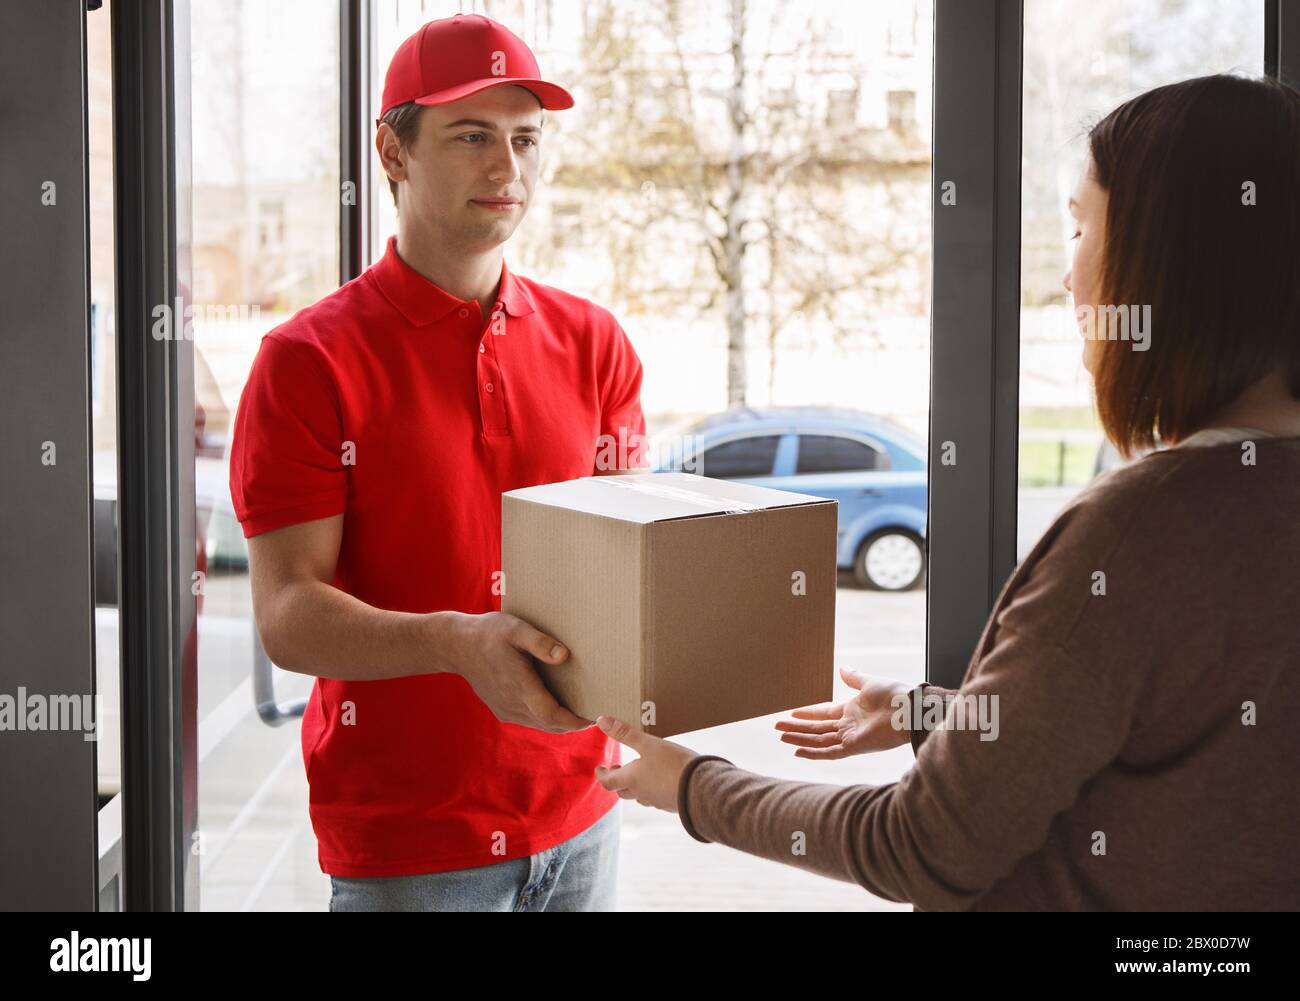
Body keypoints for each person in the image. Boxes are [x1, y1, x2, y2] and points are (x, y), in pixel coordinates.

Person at [595, 74, 1300, 910]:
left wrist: (691, 786)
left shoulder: (1140, 529)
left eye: (1080, 227)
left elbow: (917, 846)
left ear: (1166, 259)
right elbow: (1163, 730)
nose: (1070, 281)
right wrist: (938, 713)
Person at [229, 14, 647, 912]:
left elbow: (626, 566)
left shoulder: (595, 342)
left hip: (586, 812)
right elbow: (286, 614)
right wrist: (454, 643)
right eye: (471, 136)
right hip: (412, 848)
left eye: (525, 139)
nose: (509, 169)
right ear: (393, 150)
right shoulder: (307, 361)